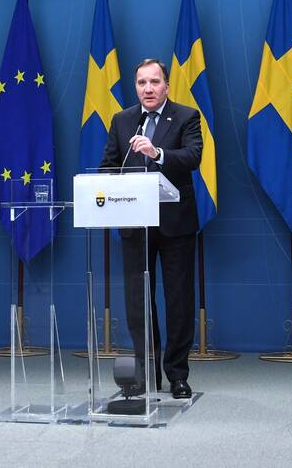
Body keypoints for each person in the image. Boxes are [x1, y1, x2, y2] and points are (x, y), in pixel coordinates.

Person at [100, 58, 203, 400]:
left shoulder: (186, 116)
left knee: (178, 301)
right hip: (136, 223)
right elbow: (108, 166)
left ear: (166, 86)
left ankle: (177, 375)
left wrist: (157, 152)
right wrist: (113, 184)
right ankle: (146, 374)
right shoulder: (122, 120)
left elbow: (192, 157)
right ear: (136, 87)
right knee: (138, 302)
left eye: (154, 82)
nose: (148, 88)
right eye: (142, 82)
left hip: (176, 224)